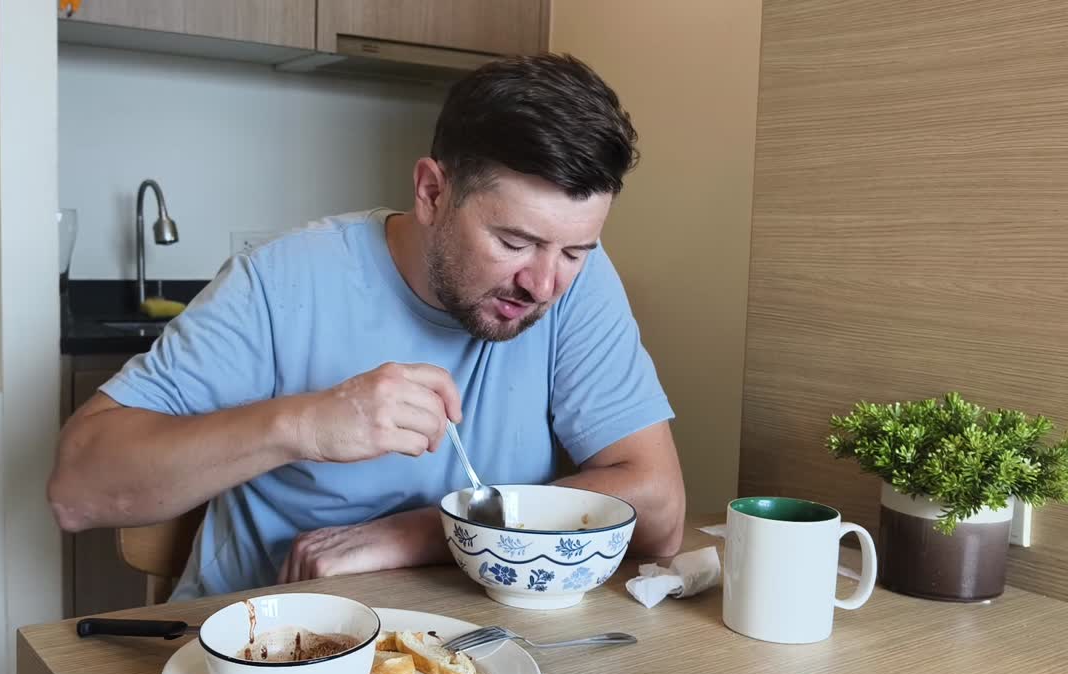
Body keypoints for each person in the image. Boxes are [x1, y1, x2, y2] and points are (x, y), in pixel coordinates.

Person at [48, 53, 686, 601]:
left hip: (469, 645)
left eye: (574, 252)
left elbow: (658, 512)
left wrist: (415, 534)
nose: (545, 285)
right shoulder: (278, 284)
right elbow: (78, 490)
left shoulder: (579, 287)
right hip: (261, 647)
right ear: (432, 192)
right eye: (514, 241)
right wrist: (305, 424)